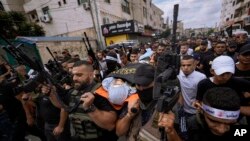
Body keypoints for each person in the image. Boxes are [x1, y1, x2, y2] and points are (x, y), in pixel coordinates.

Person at [115, 63, 181, 140]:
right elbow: (119, 132)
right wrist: (129, 115)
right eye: (138, 85)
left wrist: (171, 131)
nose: (141, 88)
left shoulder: (170, 105)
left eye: (145, 84)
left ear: (156, 83)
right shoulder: (133, 102)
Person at [159, 87, 242, 141]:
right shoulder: (188, 126)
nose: (221, 130)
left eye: (230, 123)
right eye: (213, 121)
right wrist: (171, 133)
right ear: (201, 110)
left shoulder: (241, 129)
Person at [71, 60, 117, 141]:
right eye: (73, 75)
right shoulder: (75, 91)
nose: (74, 78)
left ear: (91, 75)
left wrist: (90, 108)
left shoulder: (102, 92)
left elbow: (110, 125)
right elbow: (63, 106)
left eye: (79, 75)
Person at [195, 56, 250, 120]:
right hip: (211, 120)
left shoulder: (240, 83)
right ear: (212, 71)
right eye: (222, 74)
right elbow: (199, 101)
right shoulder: (203, 84)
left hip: (236, 120)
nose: (225, 76)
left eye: (228, 73)